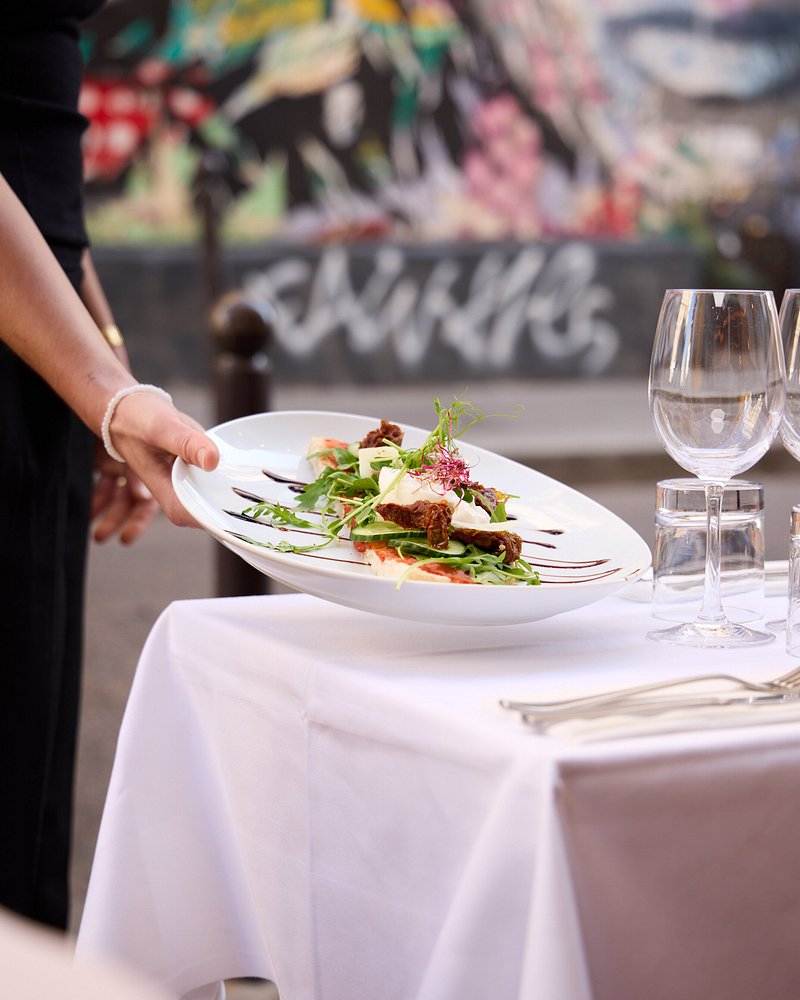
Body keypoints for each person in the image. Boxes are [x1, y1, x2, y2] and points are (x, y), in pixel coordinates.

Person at [0, 1, 220, 930]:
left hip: (28, 342)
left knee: (24, 823)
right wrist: (103, 390)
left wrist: (103, 380)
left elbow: (30, 153)